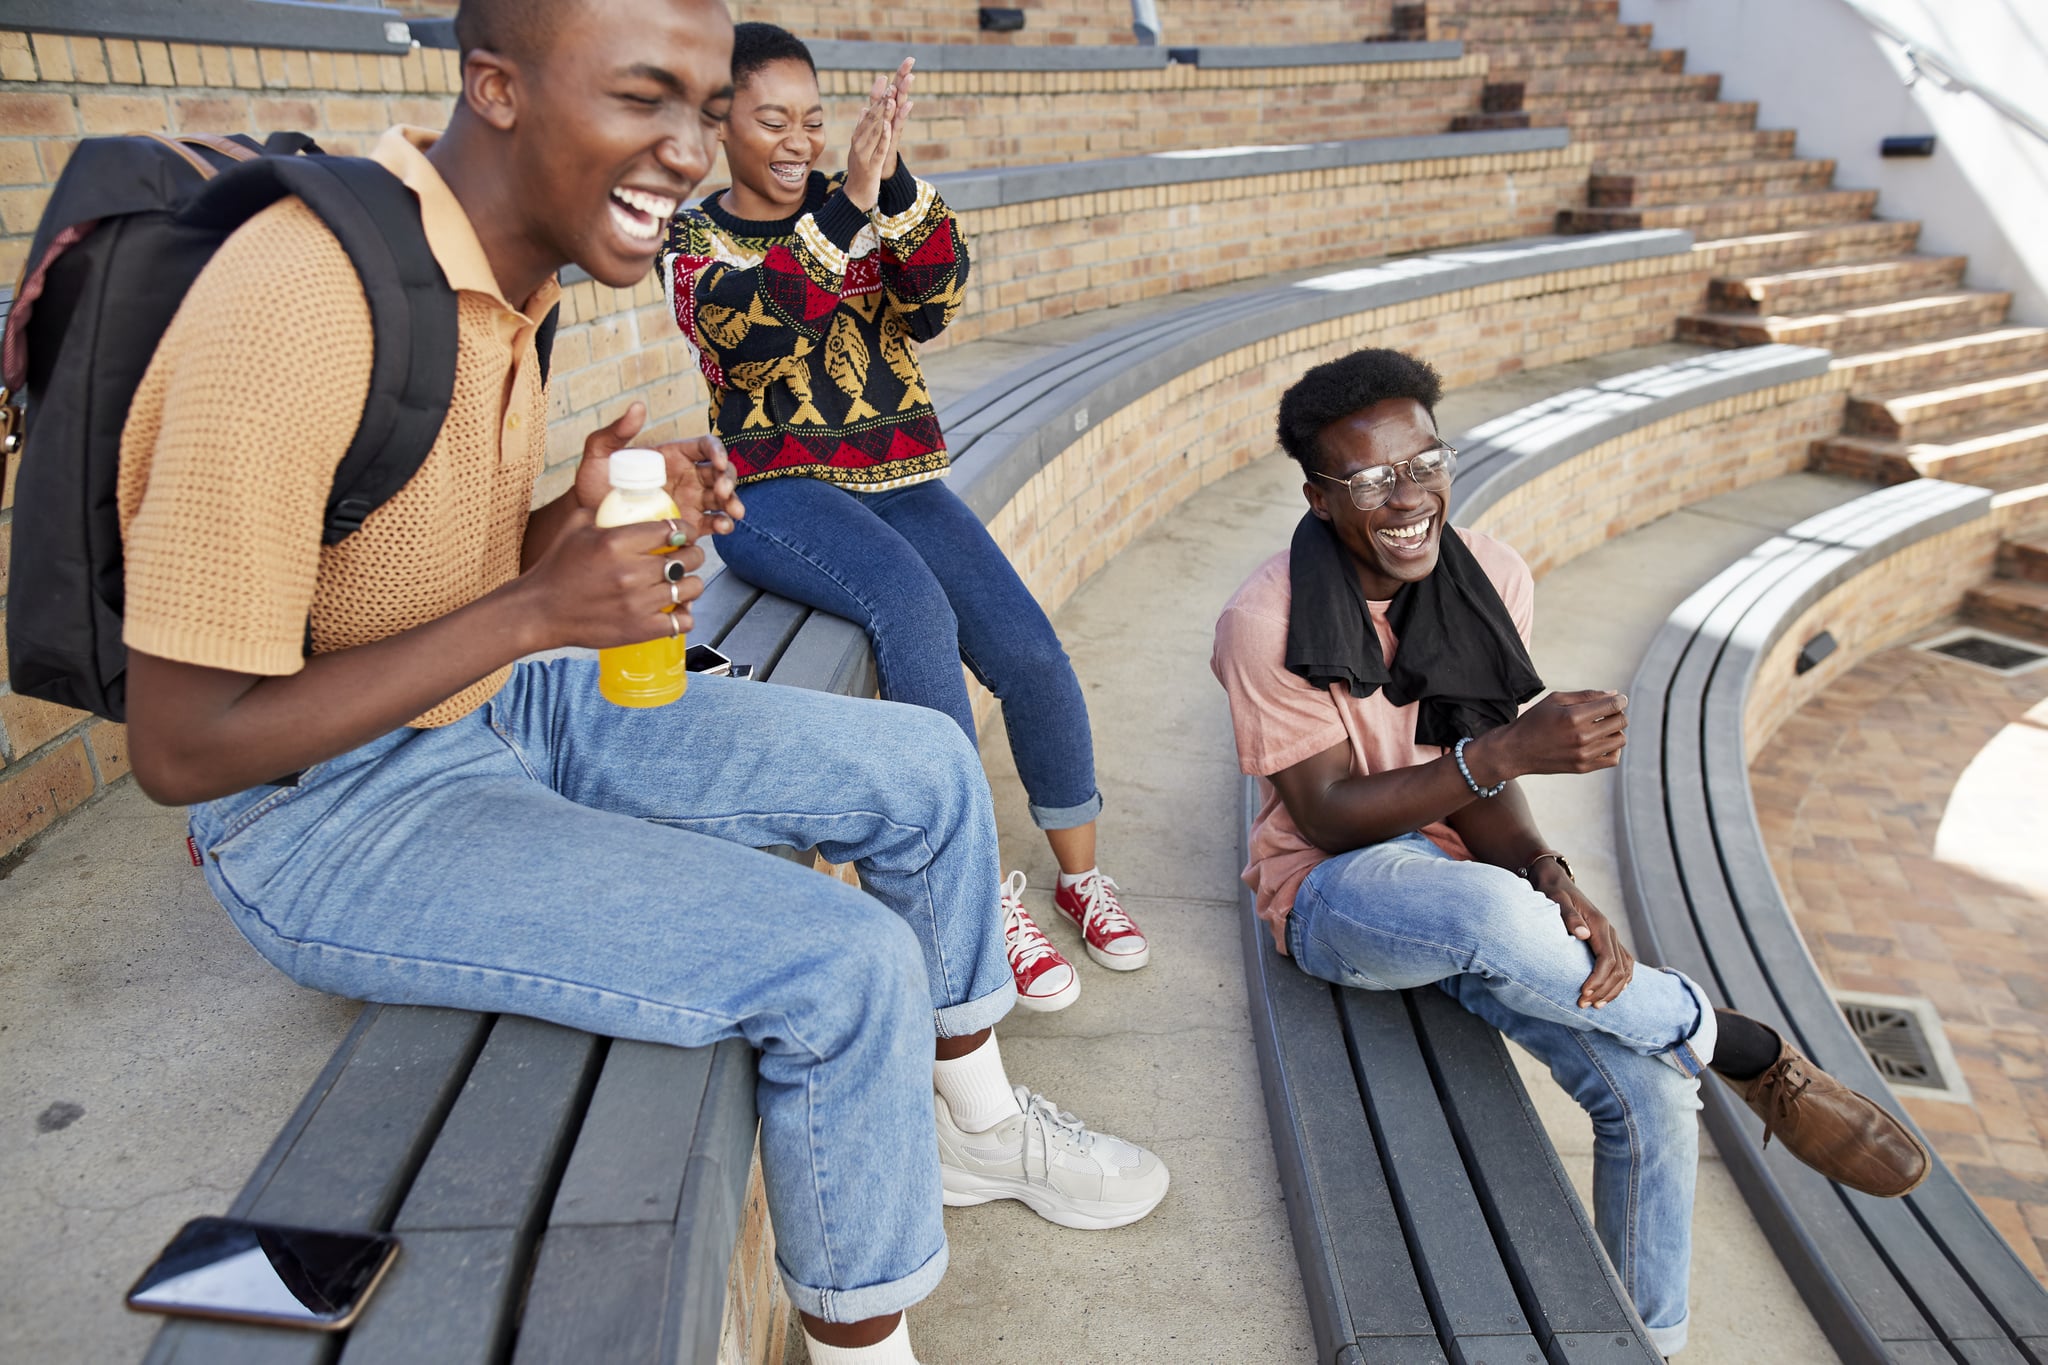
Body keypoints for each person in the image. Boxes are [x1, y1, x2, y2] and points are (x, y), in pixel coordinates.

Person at [114, 1, 1165, 1361]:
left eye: (705, 102)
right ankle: (865, 1344)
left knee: (927, 767)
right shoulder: (297, 305)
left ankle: (973, 1126)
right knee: (842, 964)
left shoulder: (516, 270)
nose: (689, 145)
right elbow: (186, 749)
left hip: (493, 704)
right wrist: (537, 607)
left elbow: (410, 567)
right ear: (496, 87)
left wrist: (579, 521)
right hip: (322, 812)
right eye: (646, 98)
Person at [1209, 347, 1930, 1356]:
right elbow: (1327, 815)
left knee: (1649, 1091)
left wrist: (1553, 880)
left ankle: (1648, 1342)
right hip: (1334, 892)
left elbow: (1483, 795)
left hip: (1464, 882)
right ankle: (1737, 1046)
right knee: (1492, 915)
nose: (1409, 496)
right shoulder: (1264, 619)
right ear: (1318, 497)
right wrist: (1503, 752)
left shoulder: (1488, 574)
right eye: (1371, 478)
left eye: (1425, 462)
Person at [659, 23, 1148, 1015]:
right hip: (776, 493)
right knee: (912, 613)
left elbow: (938, 297)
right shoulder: (694, 241)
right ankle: (973, 894)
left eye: (812, 119)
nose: (796, 140)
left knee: (1029, 652)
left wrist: (890, 183)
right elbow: (757, 330)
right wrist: (844, 204)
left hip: (901, 478)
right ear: (719, 123)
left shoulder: (862, 208)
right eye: (769, 120)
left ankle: (1079, 873)